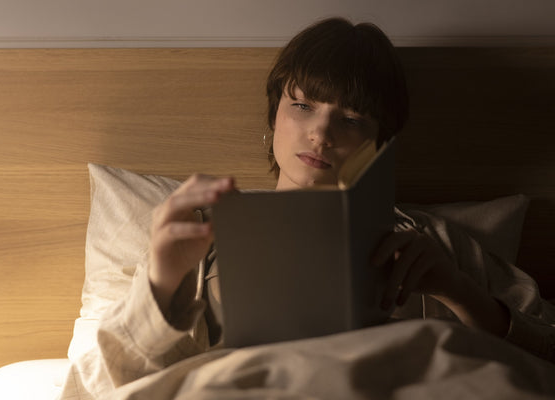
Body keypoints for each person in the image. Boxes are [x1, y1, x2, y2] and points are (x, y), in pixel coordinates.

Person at [60, 17, 555, 399]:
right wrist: (162, 285)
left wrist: (459, 292)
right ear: (273, 115)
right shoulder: (202, 236)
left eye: (353, 118)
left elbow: (543, 354)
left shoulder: (434, 241)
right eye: (302, 106)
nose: (322, 132)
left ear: (380, 144)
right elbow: (101, 389)